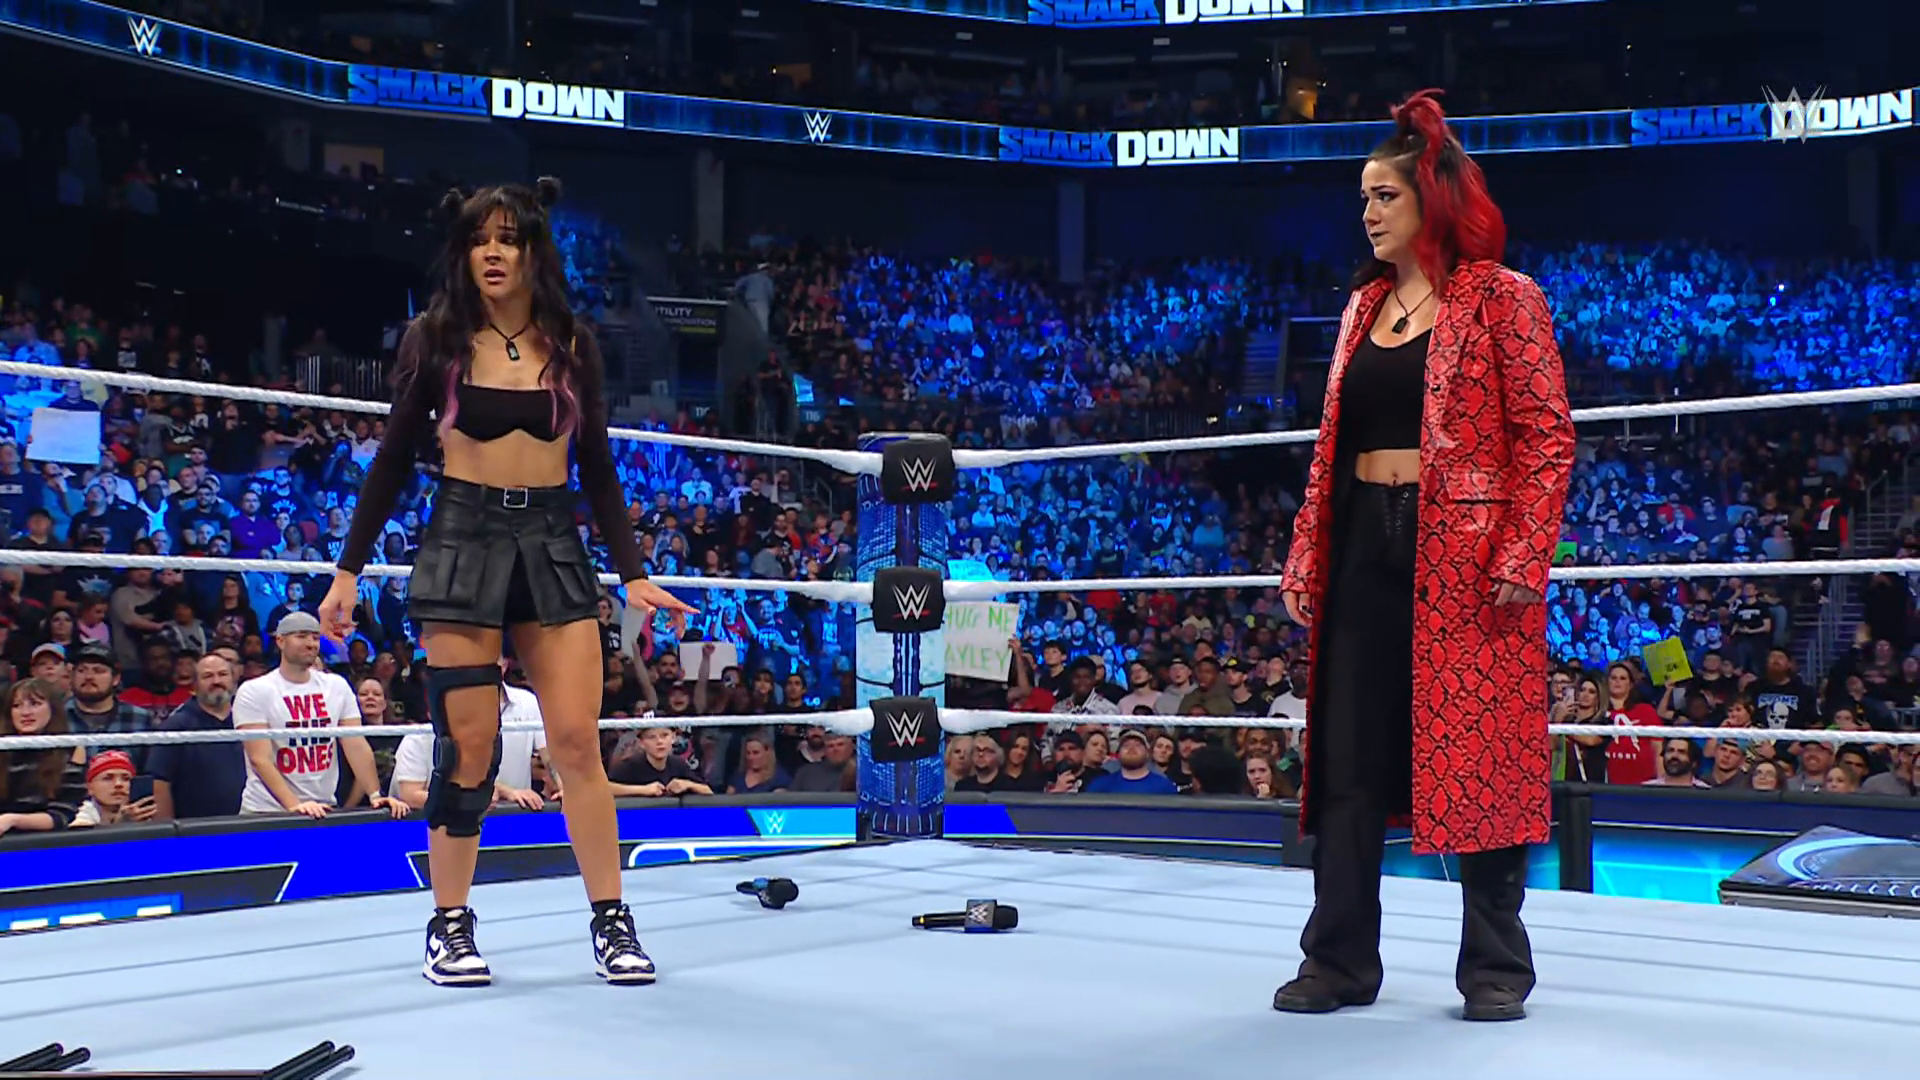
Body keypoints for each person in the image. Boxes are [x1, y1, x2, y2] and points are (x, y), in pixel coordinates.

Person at [317, 177, 696, 988]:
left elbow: (597, 465)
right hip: (465, 537)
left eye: (508, 238)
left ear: (532, 251)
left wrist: (632, 574)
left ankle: (612, 921)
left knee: (576, 743)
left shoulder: (571, 344)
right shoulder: (438, 338)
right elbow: (392, 457)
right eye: (479, 238)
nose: (492, 252)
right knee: (469, 749)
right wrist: (347, 570)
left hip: (552, 540)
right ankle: (449, 925)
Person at [1275, 89, 1575, 1023]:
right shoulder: (1361, 307)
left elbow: (1547, 437)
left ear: (1431, 201)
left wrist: (1523, 553)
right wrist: (1306, 552)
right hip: (1363, 537)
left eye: (1384, 196)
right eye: (1363, 198)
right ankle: (1336, 960)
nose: (1367, 213)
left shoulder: (1502, 297)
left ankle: (1495, 968)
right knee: (1348, 752)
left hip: (1470, 556)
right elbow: (1329, 446)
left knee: (1481, 752)